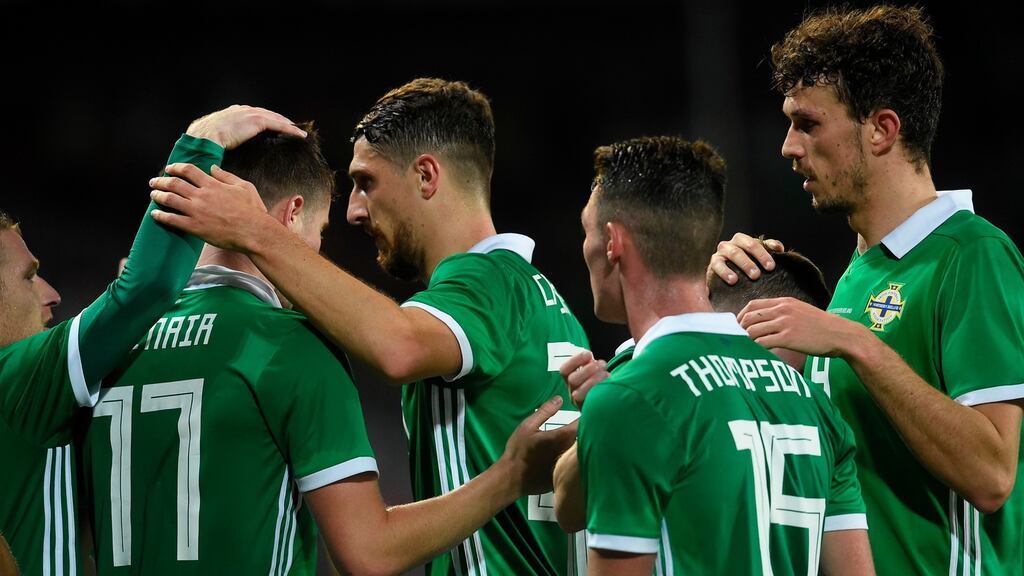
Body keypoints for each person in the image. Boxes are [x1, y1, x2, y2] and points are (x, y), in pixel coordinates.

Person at [149, 78, 590, 575]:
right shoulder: (545, 301)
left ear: (426, 176)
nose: (354, 210)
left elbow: (397, 346)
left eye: (366, 182)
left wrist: (255, 230)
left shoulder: (485, 282)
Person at [707, 5, 1024, 573]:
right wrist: (713, 304)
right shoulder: (860, 272)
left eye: (808, 123)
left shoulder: (972, 257)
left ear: (881, 130)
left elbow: (992, 472)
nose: (787, 145)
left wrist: (857, 342)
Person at [552, 136, 872, 575]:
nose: (583, 249)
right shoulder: (812, 404)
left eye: (586, 232)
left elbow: (570, 513)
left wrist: (612, 411)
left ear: (612, 242)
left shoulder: (634, 397)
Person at [0, 103, 296, 574]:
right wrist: (201, 141)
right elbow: (144, 289)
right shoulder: (14, 381)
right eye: (28, 277)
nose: (52, 294)